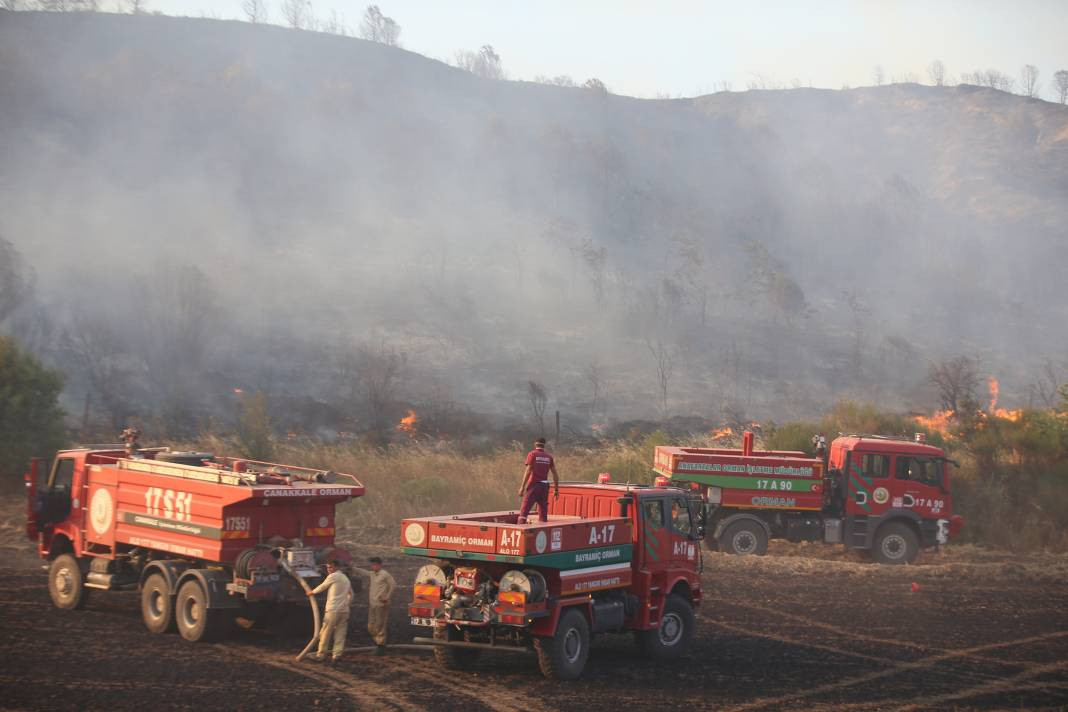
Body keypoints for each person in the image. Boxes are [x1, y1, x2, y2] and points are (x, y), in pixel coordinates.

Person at [306, 558, 353, 664]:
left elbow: (323, 586)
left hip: (333, 610)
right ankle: (337, 655)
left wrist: (311, 592)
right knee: (340, 633)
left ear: (336, 567)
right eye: (327, 567)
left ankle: (321, 655)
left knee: (325, 633)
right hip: (344, 611)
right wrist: (346, 604)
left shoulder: (333, 576)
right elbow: (351, 594)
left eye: (330, 567)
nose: (328, 569)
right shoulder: (345, 578)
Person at [350, 556, 396, 654]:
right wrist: (353, 568)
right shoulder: (372, 574)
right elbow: (363, 572)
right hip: (373, 604)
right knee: (371, 626)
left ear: (380, 565)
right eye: (372, 565)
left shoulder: (385, 574)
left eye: (375, 564)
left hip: (381, 604)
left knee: (380, 625)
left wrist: (387, 597)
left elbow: (393, 585)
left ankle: (381, 646)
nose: (373, 567)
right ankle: (379, 642)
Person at [517, 437, 559, 524]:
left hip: (534, 485)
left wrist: (522, 487)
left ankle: (520, 529)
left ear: (535, 444)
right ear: (544, 445)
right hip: (544, 487)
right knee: (543, 512)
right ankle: (543, 529)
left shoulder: (532, 454)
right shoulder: (549, 457)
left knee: (525, 509)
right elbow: (555, 474)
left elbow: (528, 471)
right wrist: (556, 489)